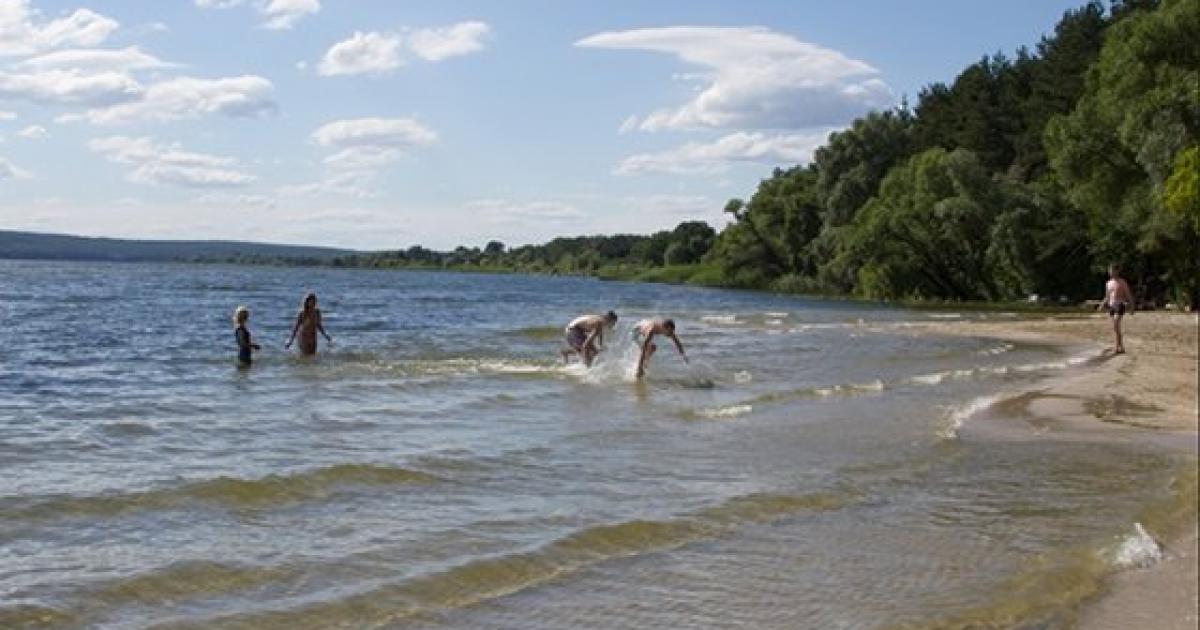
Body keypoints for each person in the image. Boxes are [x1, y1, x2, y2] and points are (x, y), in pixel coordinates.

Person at [1097, 264, 1134, 354]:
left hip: (1120, 305)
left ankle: (1117, 347)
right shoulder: (1108, 283)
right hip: (1111, 306)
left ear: (1117, 271)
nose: (1111, 272)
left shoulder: (1122, 282)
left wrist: (1132, 307)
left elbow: (1128, 295)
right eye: (1110, 270)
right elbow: (1107, 296)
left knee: (1116, 324)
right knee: (1115, 328)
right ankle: (1121, 346)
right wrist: (1101, 305)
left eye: (1113, 270)